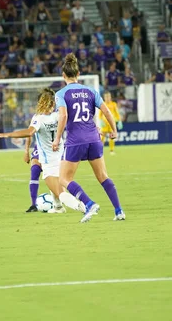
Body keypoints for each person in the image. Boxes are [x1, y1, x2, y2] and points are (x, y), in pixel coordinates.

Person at [52, 54, 125, 222]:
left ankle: (89, 204)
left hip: (75, 140)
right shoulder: (91, 91)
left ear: (64, 76)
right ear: (79, 74)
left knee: (64, 179)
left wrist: (56, 139)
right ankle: (119, 210)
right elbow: (106, 111)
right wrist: (114, 130)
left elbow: (62, 116)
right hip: (94, 138)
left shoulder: (61, 94)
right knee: (103, 176)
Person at [0, 88, 85, 215]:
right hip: (63, 158)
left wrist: (8, 135)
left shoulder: (39, 118)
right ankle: (58, 207)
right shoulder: (59, 115)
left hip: (48, 161)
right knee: (59, 187)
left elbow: (29, 132)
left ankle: (84, 206)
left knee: (60, 192)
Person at [23, 135, 43, 212]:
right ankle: (33, 204)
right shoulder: (37, 122)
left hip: (53, 147)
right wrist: (26, 152)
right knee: (35, 170)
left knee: (54, 176)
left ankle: (59, 203)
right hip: (40, 147)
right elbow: (29, 134)